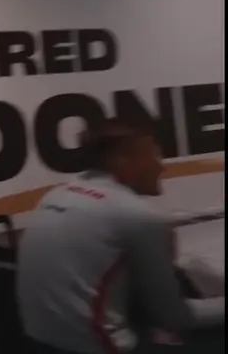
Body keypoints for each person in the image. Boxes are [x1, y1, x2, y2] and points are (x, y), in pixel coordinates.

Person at [17, 118, 225, 354]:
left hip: (37, 342)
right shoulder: (138, 215)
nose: (161, 167)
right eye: (153, 156)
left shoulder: (55, 195)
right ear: (123, 161)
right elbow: (174, 317)